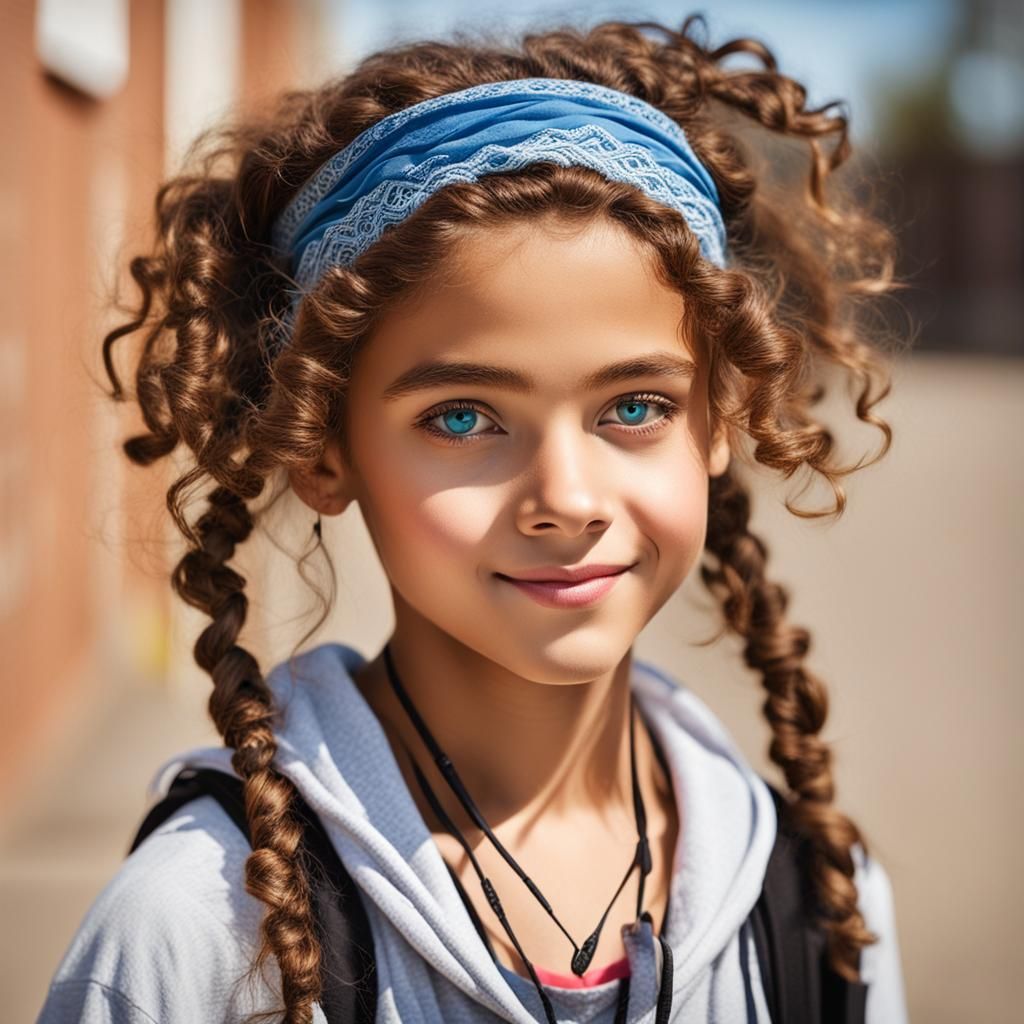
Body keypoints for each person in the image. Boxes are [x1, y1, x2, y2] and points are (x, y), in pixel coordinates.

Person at [37, 13, 910, 1024]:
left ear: (719, 420)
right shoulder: (194, 937)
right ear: (323, 446)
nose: (567, 500)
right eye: (462, 417)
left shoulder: (817, 910)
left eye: (635, 406)